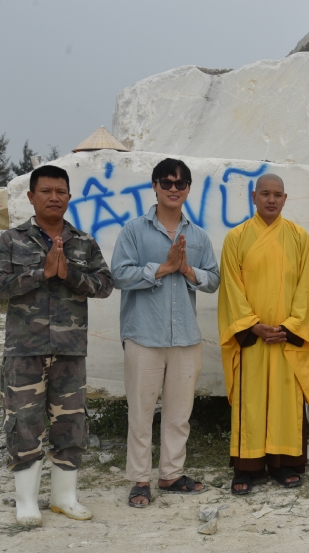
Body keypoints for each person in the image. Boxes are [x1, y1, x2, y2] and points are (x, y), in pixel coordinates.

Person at [0, 164, 113, 526]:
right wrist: (40, 273)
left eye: (61, 191)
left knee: (70, 423)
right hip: (24, 350)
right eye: (46, 191)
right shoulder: (12, 240)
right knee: (24, 421)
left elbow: (105, 285)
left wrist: (69, 274)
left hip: (70, 350)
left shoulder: (84, 242)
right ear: (31, 197)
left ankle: (64, 497)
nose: (54, 197)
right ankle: (26, 500)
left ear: (69, 197)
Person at [111, 158, 221, 508]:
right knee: (141, 413)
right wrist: (162, 269)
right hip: (143, 335)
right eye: (166, 182)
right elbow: (119, 275)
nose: (174, 189)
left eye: (180, 183)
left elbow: (214, 280)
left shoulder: (199, 236)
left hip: (186, 337)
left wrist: (187, 270)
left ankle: (171, 474)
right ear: (154, 187)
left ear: (188, 189)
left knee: (178, 413)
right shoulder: (133, 231)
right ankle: (140, 480)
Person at [218, 173, 309, 495]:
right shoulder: (236, 238)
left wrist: (290, 327)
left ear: (285, 199)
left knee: (285, 401)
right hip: (253, 337)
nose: (271, 199)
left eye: (277, 194)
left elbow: (307, 286)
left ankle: (283, 463)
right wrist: (251, 325)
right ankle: (247, 467)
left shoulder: (299, 237)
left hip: (286, 337)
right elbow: (231, 288)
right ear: (253, 197)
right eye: (265, 194)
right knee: (252, 400)